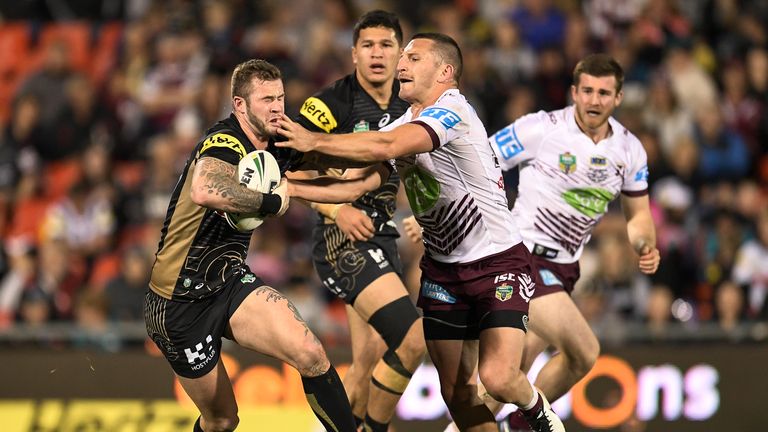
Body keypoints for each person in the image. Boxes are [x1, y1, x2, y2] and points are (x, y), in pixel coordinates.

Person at [278, 33, 564, 432]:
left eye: (413, 57)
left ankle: (537, 411)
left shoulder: (453, 111)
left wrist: (312, 140)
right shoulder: (404, 122)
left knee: (498, 379)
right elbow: (355, 185)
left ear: (445, 71)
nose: (401, 64)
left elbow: (384, 145)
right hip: (443, 272)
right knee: (458, 396)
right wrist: (289, 183)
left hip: (495, 261)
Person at [423, 53, 660, 431]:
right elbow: (479, 160)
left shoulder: (630, 150)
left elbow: (638, 214)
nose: (593, 100)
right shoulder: (541, 128)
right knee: (583, 352)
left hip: (566, 267)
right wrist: (443, 210)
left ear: (618, 98)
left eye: (603, 93)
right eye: (586, 91)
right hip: (524, 259)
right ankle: (526, 426)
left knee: (506, 379)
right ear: (573, 92)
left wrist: (644, 244)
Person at [143, 59, 357, 432]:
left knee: (311, 353)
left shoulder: (279, 139)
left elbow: (333, 165)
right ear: (239, 106)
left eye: (280, 97)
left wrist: (382, 158)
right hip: (178, 303)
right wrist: (272, 202)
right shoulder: (224, 141)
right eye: (266, 100)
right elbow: (206, 188)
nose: (277, 107)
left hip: (228, 283)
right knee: (223, 420)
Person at [293, 10, 425, 431]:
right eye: (367, 45)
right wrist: (338, 210)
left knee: (367, 357)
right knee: (410, 338)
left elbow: (422, 167)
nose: (376, 54)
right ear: (353, 54)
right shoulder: (331, 103)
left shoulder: (413, 103)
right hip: (341, 240)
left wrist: (426, 214)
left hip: (382, 237)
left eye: (386, 45)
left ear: (401, 55)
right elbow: (290, 170)